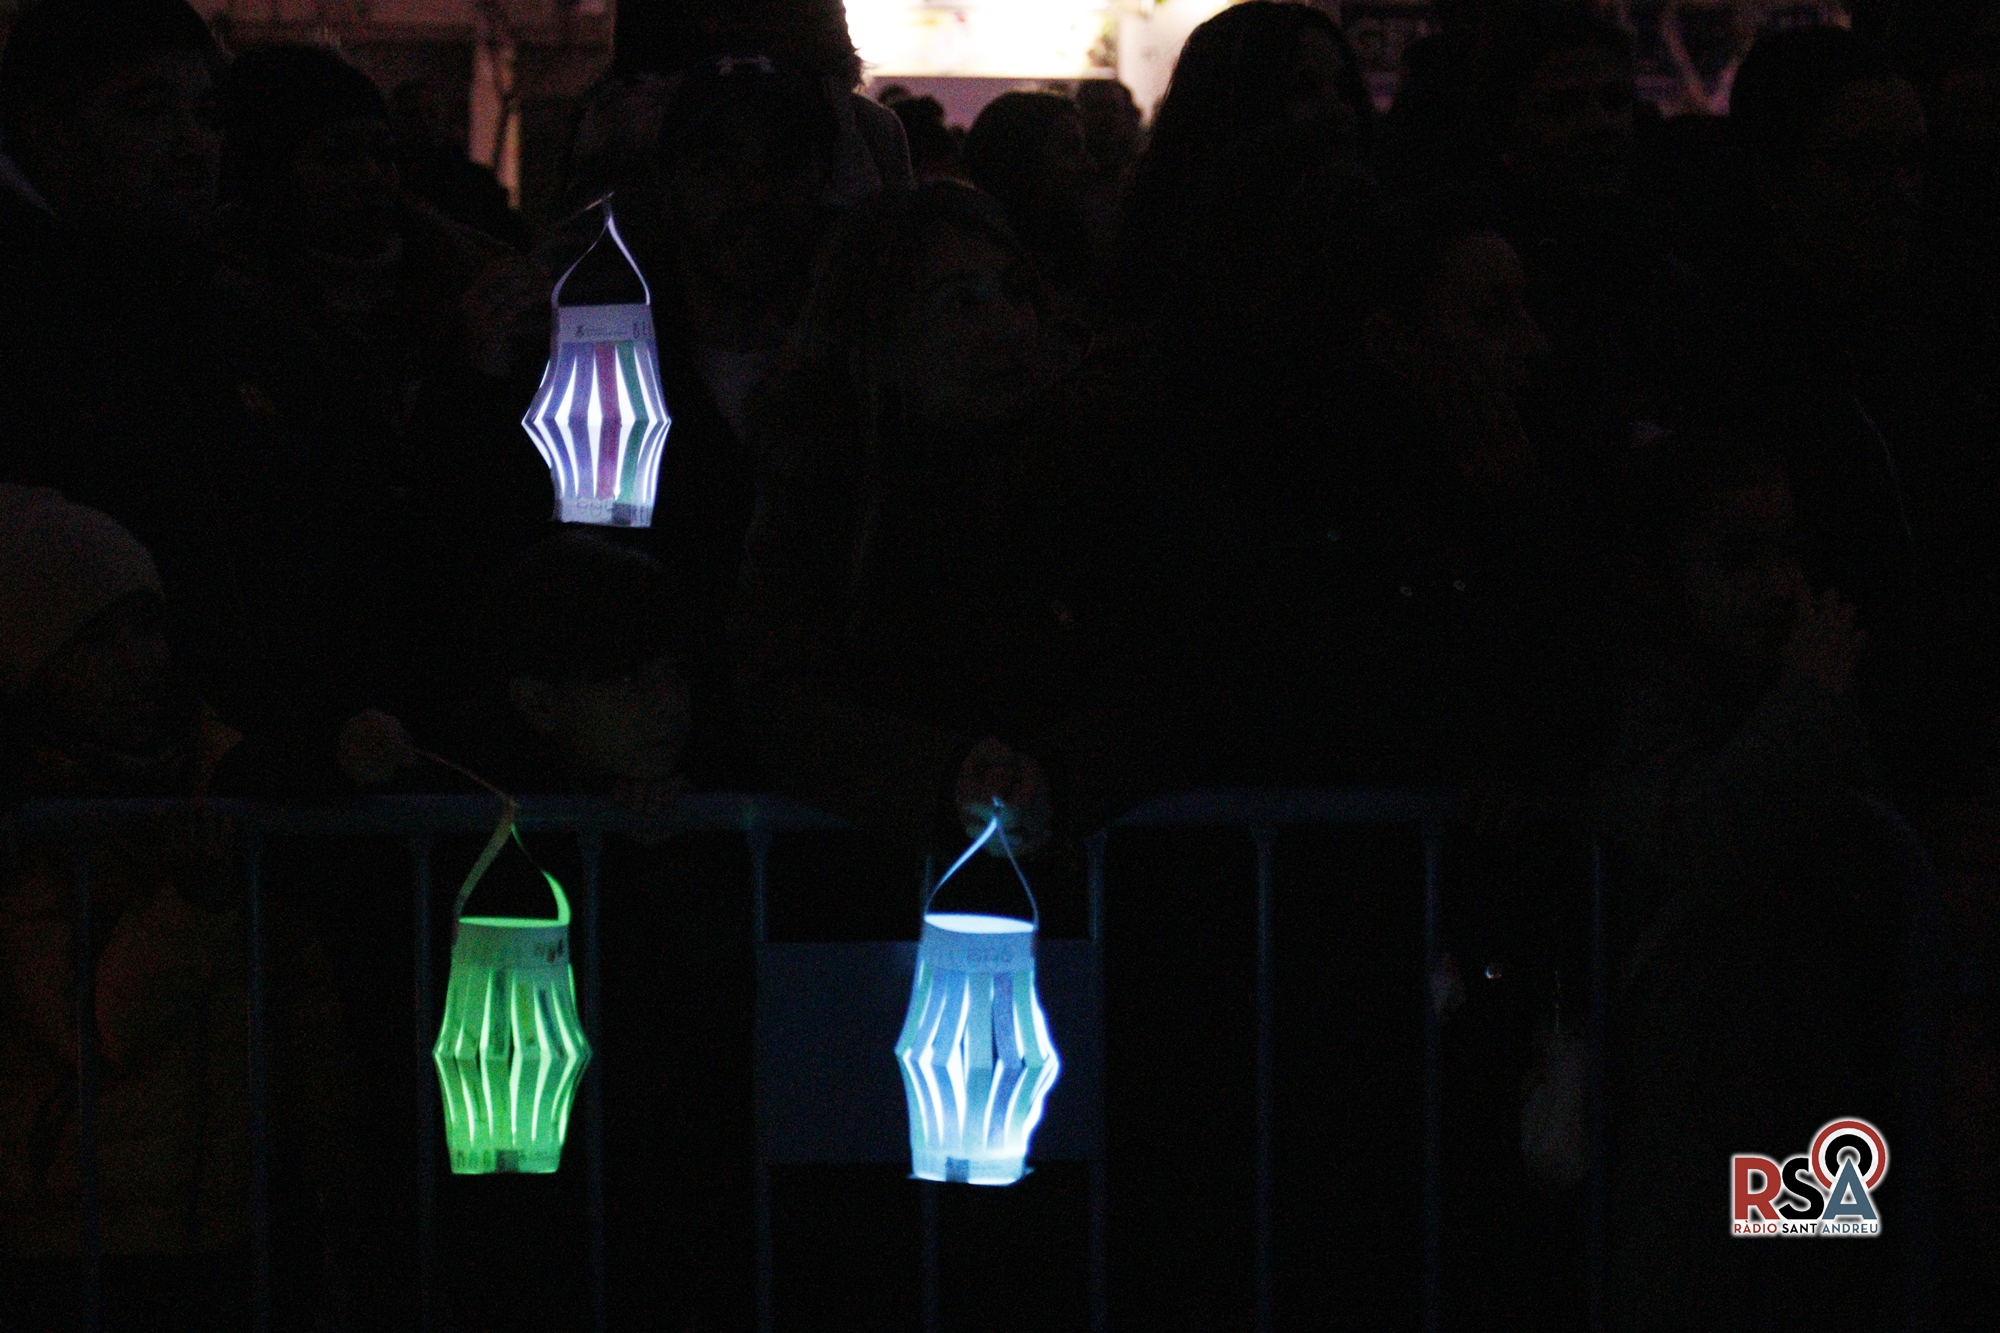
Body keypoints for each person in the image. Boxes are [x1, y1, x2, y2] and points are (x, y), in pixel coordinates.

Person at [0, 486, 354, 1330]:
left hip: (236, 1223)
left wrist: (336, 1180)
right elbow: (98, 1027)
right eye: (96, 639)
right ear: (34, 665)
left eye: (146, 627)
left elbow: (306, 1008)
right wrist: (191, 900)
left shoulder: (229, 778)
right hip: (78, 1235)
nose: (137, 661)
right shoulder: (29, 827)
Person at [732, 182, 1162, 864]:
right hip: (868, 881)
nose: (1008, 324)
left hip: (1084, 877)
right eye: (960, 301)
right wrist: (938, 776)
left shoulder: (1100, 465)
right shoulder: (820, 484)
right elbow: (781, 695)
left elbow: (1169, 678)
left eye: (1015, 291)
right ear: (880, 326)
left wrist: (1060, 775)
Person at [0, 0, 378, 739]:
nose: (193, 145)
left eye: (207, 115)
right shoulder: (40, 316)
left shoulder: (225, 306)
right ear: (45, 129)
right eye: (148, 111)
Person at [1592, 433, 1902, 1329]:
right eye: (1738, 557)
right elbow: (1709, 837)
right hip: (1691, 1113)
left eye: (1787, 554)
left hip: (1801, 1091)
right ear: (1658, 577)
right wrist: (1807, 702)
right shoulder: (1635, 701)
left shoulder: (1789, 690)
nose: (1777, 586)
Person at [1694, 26, 2000, 809]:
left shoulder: (1933, 343)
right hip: (1823, 778)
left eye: (1912, 162)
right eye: (1860, 163)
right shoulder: (1727, 362)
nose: (1898, 190)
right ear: (1774, 175)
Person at [214, 44, 554, 728]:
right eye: (337, 156)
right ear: (273, 171)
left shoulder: (471, 289)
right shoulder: (226, 311)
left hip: (466, 651)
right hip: (300, 667)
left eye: (383, 154)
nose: (371, 177)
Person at [1112, 0, 1374, 321]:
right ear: (1236, 103)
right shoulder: (1194, 258)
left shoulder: (1360, 227)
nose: (1338, 108)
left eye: (1344, 88)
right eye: (1304, 88)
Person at [964, 91, 1107, 300]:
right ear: (1020, 160)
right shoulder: (973, 262)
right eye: (1070, 150)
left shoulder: (1072, 241)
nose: (1090, 164)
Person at [387, 77, 531, 248]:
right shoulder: (386, 182)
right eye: (412, 115)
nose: (423, 122)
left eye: (432, 114)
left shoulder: (477, 184)